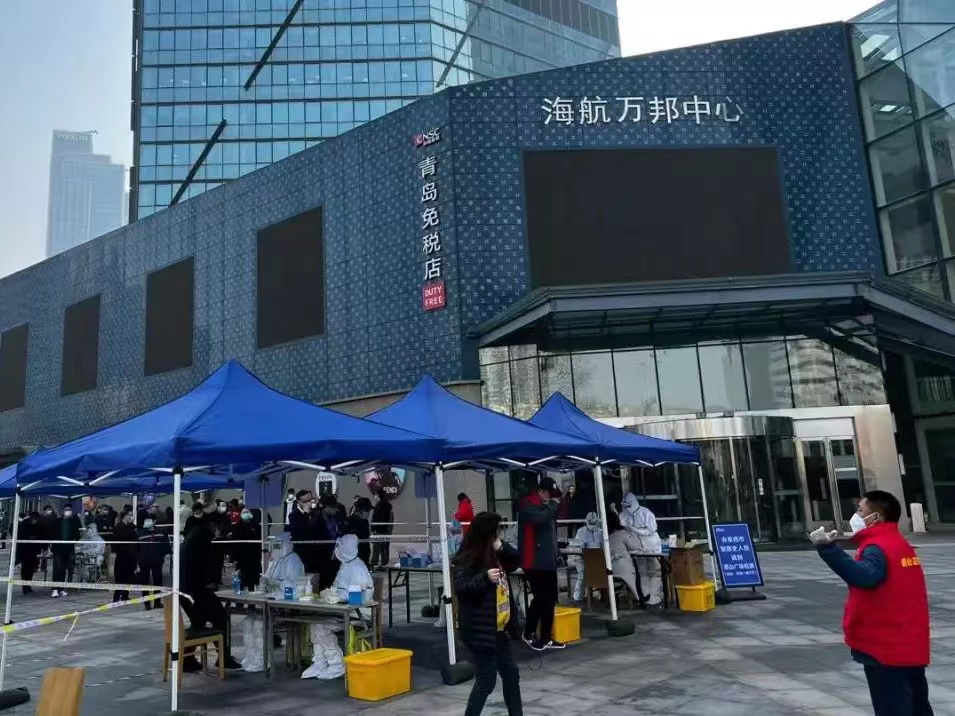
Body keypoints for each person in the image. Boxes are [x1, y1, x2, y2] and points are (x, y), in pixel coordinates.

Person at [811, 490, 932, 716]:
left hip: (886, 647)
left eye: (860, 510)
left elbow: (864, 576)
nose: (856, 515)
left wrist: (827, 549)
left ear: (876, 517)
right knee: (917, 706)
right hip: (908, 643)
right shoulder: (899, 544)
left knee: (894, 707)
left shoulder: (878, 546)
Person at [453, 511, 523, 716]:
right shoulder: (468, 557)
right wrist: (484, 578)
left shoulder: (496, 555)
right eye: (496, 531)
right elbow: (462, 588)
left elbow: (515, 561)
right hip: (479, 630)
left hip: (498, 628)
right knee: (487, 680)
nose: (499, 534)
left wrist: (502, 547)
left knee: (511, 674)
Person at [302, 534, 374, 680]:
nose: (337, 549)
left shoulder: (358, 568)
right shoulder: (345, 565)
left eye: (340, 546)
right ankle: (320, 661)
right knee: (315, 623)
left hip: (357, 614)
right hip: (341, 612)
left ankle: (336, 663)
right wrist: (330, 593)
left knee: (322, 627)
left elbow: (361, 596)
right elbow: (337, 587)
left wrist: (341, 597)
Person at [179, 516, 242, 672]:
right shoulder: (202, 536)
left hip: (186, 590)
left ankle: (187, 659)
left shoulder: (192, 535)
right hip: (195, 589)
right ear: (212, 524)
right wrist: (211, 580)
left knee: (199, 622)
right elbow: (205, 563)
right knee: (220, 617)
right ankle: (223, 657)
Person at [517, 476, 563, 651]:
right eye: (550, 494)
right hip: (534, 561)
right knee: (545, 599)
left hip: (548, 560)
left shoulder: (546, 507)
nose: (552, 498)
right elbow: (539, 519)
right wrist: (553, 505)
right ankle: (543, 637)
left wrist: (557, 553)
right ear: (541, 491)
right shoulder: (528, 505)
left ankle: (532, 632)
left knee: (545, 598)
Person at [619, 493, 663, 606]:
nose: (627, 508)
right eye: (625, 506)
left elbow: (651, 530)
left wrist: (635, 529)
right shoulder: (624, 515)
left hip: (651, 545)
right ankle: (646, 597)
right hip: (637, 546)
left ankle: (655, 597)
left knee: (655, 571)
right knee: (642, 572)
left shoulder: (646, 513)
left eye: (629, 506)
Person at [606, 512, 641, 601]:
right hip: (622, 570)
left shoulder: (605, 537)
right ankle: (640, 598)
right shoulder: (623, 534)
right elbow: (636, 546)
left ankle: (615, 596)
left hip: (608, 570)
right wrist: (632, 533)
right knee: (639, 570)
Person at [569, 511, 603, 601]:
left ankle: (604, 596)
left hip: (598, 559)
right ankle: (578, 598)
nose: (592, 525)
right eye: (590, 523)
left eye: (594, 523)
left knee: (604, 572)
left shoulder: (601, 532)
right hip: (582, 559)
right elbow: (574, 546)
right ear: (586, 521)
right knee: (582, 574)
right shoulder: (581, 532)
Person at [138, 515, 170, 610]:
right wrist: (138, 559)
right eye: (146, 520)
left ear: (154, 521)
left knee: (158, 581)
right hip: (144, 561)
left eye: (149, 520)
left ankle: (157, 602)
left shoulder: (161, 532)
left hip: (157, 560)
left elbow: (166, 545)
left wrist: (163, 555)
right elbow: (136, 547)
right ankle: (147, 604)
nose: (147, 522)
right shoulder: (140, 533)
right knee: (145, 582)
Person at [50, 505, 82, 598]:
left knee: (64, 569)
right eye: (66, 510)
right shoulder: (57, 522)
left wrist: (77, 518)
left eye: (70, 510)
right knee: (57, 568)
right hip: (58, 549)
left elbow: (78, 534)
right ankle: (55, 589)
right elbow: (53, 534)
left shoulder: (73, 522)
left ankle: (61, 589)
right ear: (63, 511)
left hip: (68, 549)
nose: (68, 511)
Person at [314, 494, 344, 590]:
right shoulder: (316, 522)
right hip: (321, 560)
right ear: (326, 508)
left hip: (334, 558)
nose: (336, 510)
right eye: (333, 507)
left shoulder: (335, 520)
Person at [288, 489, 321, 574]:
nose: (309, 503)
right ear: (299, 502)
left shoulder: (315, 513)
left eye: (310, 500)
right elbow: (300, 531)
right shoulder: (293, 515)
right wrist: (306, 514)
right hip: (301, 550)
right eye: (306, 501)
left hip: (314, 550)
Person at [229, 507, 262, 591]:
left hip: (253, 556)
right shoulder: (236, 527)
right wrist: (233, 558)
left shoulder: (256, 526)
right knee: (242, 579)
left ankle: (251, 595)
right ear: (241, 514)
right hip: (242, 556)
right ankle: (240, 596)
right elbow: (234, 544)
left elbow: (259, 541)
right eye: (244, 512)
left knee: (252, 580)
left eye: (248, 512)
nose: (246, 514)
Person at [112, 510, 139, 603]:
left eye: (131, 515)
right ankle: (116, 597)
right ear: (124, 516)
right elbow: (124, 536)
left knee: (129, 576)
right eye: (129, 515)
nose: (130, 517)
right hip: (122, 556)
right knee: (120, 577)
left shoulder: (132, 527)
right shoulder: (119, 527)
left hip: (131, 555)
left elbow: (135, 539)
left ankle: (125, 595)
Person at [16, 513, 43, 595]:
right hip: (25, 550)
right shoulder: (24, 525)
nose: (35, 521)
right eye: (34, 519)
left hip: (34, 550)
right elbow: (19, 535)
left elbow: (40, 537)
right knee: (25, 568)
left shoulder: (38, 526)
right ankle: (24, 586)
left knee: (31, 569)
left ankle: (28, 584)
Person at [371, 491, 393, 568]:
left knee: (376, 549)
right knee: (384, 548)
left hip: (379, 530)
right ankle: (384, 564)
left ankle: (374, 564)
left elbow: (375, 519)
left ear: (378, 495)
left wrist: (373, 529)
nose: (375, 497)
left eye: (376, 495)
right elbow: (390, 520)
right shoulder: (388, 506)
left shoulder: (378, 506)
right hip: (386, 530)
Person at [348, 497, 373, 567]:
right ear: (359, 510)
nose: (368, 512)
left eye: (369, 510)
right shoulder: (349, 522)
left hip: (364, 557)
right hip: (352, 558)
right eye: (366, 510)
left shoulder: (365, 522)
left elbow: (366, 539)